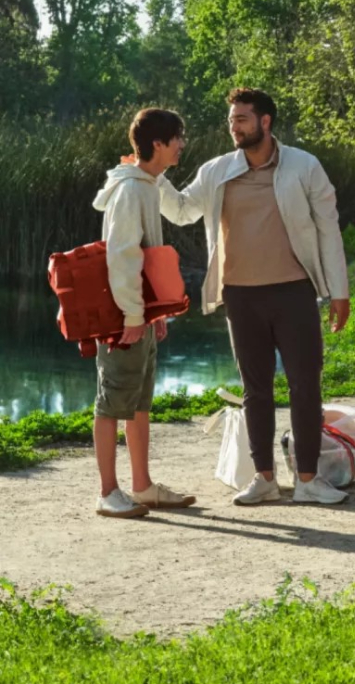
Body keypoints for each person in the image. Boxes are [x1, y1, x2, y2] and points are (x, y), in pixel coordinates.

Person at [158, 88, 352, 505]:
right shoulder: (217, 171)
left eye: (242, 118)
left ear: (265, 122)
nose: (234, 126)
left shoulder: (304, 166)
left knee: (305, 385)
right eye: (231, 120)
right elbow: (180, 211)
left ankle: (308, 480)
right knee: (255, 389)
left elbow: (328, 229)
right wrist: (149, 174)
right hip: (241, 296)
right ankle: (264, 478)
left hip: (294, 291)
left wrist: (340, 292)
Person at [91, 108, 199, 518]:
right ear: (159, 143)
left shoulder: (147, 184)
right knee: (111, 402)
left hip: (139, 316)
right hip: (123, 318)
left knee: (138, 402)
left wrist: (154, 315)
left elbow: (147, 258)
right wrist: (134, 317)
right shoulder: (132, 190)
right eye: (177, 138)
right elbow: (122, 257)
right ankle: (107, 493)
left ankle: (142, 486)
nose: (181, 145)